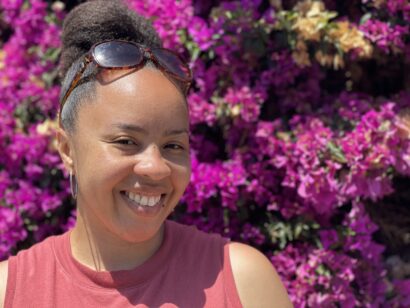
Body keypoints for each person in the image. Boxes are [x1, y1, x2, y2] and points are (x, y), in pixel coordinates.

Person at [0, 1, 292, 307]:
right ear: (67, 149)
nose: (156, 168)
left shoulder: (242, 281)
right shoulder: (11, 291)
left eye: (173, 146)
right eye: (126, 141)